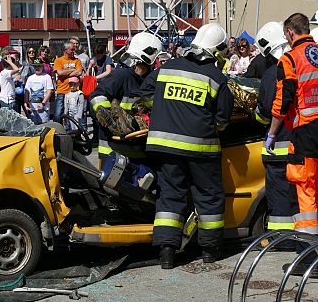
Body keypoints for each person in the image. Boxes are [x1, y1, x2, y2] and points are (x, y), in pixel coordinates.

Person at [141, 23, 234, 269]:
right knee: (209, 197)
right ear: (215, 51)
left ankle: (167, 253)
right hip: (202, 149)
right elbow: (223, 121)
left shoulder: (167, 68)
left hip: (164, 146)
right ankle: (209, 251)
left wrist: (165, 109)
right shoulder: (216, 78)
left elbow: (146, 93)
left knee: (170, 198)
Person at [266, 13, 318, 275]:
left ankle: (308, 259)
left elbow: (283, 100)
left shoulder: (289, 59)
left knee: (307, 194)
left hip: (305, 134)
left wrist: (273, 134)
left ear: (288, 33)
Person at [254, 22, 298, 233]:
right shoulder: (305, 65)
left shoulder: (272, 74)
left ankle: (283, 239)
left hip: (278, 149)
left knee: (280, 199)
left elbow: (265, 114)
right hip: (304, 146)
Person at [90, 32, 162, 161]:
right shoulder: (121, 76)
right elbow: (97, 96)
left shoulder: (151, 80)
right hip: (113, 149)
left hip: (138, 147)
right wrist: (111, 119)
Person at [53, 41, 83, 123]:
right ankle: (57, 131)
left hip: (74, 92)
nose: (74, 51)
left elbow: (79, 72)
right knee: (58, 114)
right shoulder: (58, 60)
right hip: (62, 91)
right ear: (66, 50)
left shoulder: (77, 61)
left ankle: (72, 132)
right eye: (72, 49)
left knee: (73, 114)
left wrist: (64, 73)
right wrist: (73, 70)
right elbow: (59, 73)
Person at [24, 59, 53, 124]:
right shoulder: (30, 78)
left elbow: (49, 91)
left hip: (43, 108)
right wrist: (25, 103)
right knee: (33, 127)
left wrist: (43, 103)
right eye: (35, 66)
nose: (37, 68)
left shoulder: (47, 77)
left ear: (42, 67)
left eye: (39, 66)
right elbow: (27, 91)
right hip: (32, 108)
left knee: (44, 126)